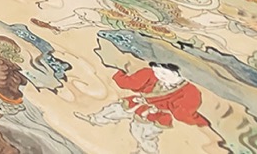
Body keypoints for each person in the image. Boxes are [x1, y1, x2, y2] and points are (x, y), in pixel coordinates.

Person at [79, 62, 209, 154]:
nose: (159, 75)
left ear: (178, 73)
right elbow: (132, 83)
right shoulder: (150, 74)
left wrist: (169, 111)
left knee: (142, 133)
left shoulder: (190, 91)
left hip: (157, 114)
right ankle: (95, 119)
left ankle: (148, 151)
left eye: (164, 73)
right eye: (156, 71)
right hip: (138, 103)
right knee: (116, 108)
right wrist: (119, 73)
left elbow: (184, 111)